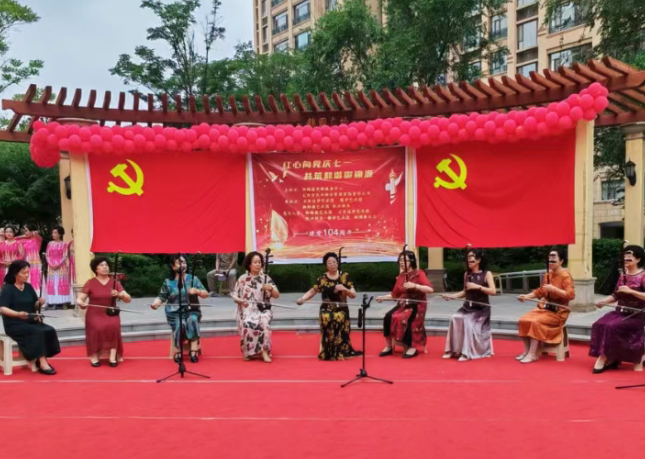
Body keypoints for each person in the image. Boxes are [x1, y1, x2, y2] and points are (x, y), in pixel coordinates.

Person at [590, 244, 645, 373]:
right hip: (619, 312)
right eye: (624, 257)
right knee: (599, 324)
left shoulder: (643, 276)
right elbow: (616, 294)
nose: (626, 259)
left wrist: (631, 291)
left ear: (638, 259)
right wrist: (603, 301)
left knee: (612, 326)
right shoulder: (622, 276)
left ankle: (604, 357)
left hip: (636, 315)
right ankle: (611, 357)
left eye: (629, 257)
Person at [296, 252, 361, 360]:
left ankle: (340, 350)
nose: (332, 264)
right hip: (326, 308)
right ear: (326, 265)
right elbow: (313, 291)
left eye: (334, 262)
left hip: (341, 308)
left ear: (338, 263)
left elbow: (353, 295)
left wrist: (344, 289)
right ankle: (327, 350)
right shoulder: (322, 278)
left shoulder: (345, 276)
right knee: (327, 316)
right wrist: (302, 299)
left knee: (338, 317)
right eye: (329, 263)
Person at [0, 260, 60, 375]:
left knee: (49, 330)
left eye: (28, 272)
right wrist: (18, 314)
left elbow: (34, 305)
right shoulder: (7, 288)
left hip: (30, 321)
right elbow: (3, 309)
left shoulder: (28, 287)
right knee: (37, 332)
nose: (27, 275)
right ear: (15, 273)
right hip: (14, 324)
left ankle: (42, 357)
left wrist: (39, 302)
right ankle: (42, 362)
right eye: (24, 273)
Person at [517, 248, 575, 364]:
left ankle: (533, 353)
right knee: (523, 320)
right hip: (545, 309)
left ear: (561, 261)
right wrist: (527, 296)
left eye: (554, 257)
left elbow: (570, 295)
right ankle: (527, 350)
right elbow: (540, 291)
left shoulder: (566, 275)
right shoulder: (547, 274)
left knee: (535, 322)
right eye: (549, 257)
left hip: (559, 311)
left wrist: (554, 289)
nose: (551, 260)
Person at [151, 254, 208, 363]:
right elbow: (162, 296)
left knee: (192, 320)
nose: (183, 265)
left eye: (184, 262)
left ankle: (194, 350)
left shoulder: (193, 279)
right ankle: (178, 350)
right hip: (174, 312)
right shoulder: (168, 282)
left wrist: (197, 291)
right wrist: (156, 304)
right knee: (180, 324)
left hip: (192, 310)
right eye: (179, 263)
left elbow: (205, 294)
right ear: (173, 266)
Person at [76, 257, 132, 367]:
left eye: (106, 265)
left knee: (113, 326)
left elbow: (128, 299)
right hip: (94, 313)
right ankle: (94, 356)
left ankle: (112, 357)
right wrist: (80, 303)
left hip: (111, 313)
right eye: (101, 265)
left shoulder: (115, 283)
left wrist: (120, 295)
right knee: (97, 328)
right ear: (95, 269)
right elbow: (80, 299)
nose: (105, 267)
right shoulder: (90, 282)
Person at [376, 250, 433, 359]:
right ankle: (388, 346)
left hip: (417, 304)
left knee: (406, 318)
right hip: (403, 305)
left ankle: (412, 346)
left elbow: (430, 289)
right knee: (388, 316)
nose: (402, 262)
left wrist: (415, 286)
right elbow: (394, 294)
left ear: (411, 261)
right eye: (400, 260)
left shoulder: (419, 273)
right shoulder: (401, 276)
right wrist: (382, 297)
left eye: (404, 260)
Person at [441, 248, 496, 361]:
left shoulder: (487, 273)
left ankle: (466, 352)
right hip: (467, 307)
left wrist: (478, 287)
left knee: (467, 321)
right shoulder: (467, 274)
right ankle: (452, 349)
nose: (468, 259)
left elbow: (493, 291)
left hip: (481, 308)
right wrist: (452, 296)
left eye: (471, 257)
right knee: (454, 318)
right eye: (468, 257)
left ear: (478, 260)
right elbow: (464, 292)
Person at [232, 251, 279, 362]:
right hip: (247, 309)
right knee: (247, 322)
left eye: (259, 262)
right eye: (255, 262)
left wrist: (271, 288)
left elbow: (277, 295)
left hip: (263, 309)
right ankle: (248, 351)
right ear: (249, 264)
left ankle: (264, 351)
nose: (258, 264)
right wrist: (238, 300)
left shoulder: (266, 278)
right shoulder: (243, 278)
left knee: (264, 322)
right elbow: (234, 294)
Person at [45, 226, 71, 310]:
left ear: (60, 234)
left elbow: (65, 255)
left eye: (55, 233)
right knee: (53, 284)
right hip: (51, 267)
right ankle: (54, 303)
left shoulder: (64, 244)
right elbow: (47, 255)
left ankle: (64, 302)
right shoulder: (50, 244)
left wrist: (57, 264)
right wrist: (50, 264)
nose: (53, 234)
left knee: (61, 283)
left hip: (61, 267)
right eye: (53, 232)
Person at [17, 225, 43, 296]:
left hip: (36, 263)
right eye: (24, 231)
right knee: (26, 279)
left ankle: (36, 296)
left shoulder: (37, 239)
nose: (25, 232)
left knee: (36, 280)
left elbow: (36, 234)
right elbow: (15, 238)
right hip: (25, 262)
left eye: (26, 230)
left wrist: (33, 233)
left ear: (32, 231)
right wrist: (26, 235)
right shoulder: (22, 241)